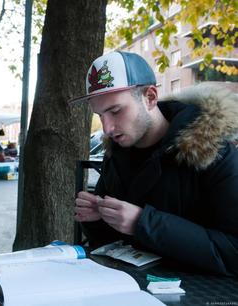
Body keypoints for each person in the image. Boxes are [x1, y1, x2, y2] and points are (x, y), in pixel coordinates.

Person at [72, 51, 238, 276]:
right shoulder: (116, 155)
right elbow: (112, 244)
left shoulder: (214, 151)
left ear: (150, 97)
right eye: (100, 115)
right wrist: (97, 219)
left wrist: (143, 223)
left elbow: (233, 251)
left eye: (115, 111)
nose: (107, 128)